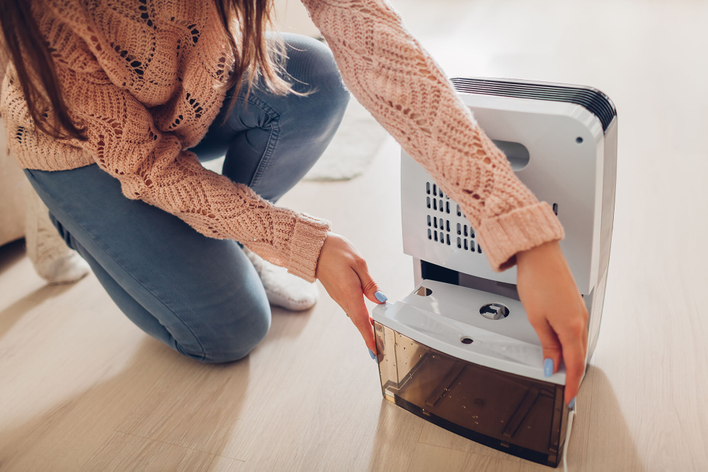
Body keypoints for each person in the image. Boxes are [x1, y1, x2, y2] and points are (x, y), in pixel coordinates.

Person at [0, 0, 587, 404]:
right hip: (81, 141)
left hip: (190, 87)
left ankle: (230, 232)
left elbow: (373, 40)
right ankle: (66, 214)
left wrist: (513, 223)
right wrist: (302, 243)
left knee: (317, 76)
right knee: (230, 331)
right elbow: (151, 167)